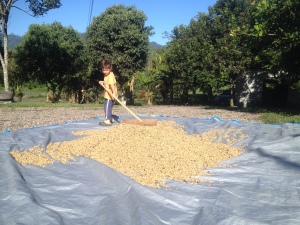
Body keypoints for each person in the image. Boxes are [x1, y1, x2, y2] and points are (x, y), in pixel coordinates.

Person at [98, 60, 118, 126]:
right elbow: (107, 82)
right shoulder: (107, 75)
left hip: (111, 95)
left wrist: (114, 94)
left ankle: (107, 121)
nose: (105, 72)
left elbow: (112, 85)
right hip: (108, 95)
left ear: (110, 68)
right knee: (107, 107)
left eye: (107, 70)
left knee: (107, 107)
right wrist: (102, 82)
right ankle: (110, 118)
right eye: (103, 70)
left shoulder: (110, 76)